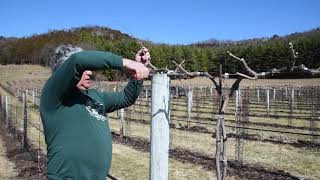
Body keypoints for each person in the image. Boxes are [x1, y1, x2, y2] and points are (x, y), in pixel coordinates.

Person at [40, 44, 150, 180]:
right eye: (84, 69)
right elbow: (77, 60)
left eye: (89, 69)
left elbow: (126, 98)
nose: (90, 73)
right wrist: (126, 63)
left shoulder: (95, 96)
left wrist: (137, 74)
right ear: (65, 72)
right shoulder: (54, 96)